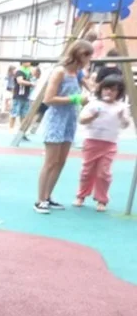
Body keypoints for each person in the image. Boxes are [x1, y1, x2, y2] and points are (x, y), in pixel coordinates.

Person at [35, 39, 94, 214]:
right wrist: (74, 99)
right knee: (50, 161)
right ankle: (40, 200)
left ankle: (48, 196)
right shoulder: (60, 72)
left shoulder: (78, 73)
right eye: (88, 57)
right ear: (80, 54)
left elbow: (89, 88)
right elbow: (48, 99)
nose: (89, 60)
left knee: (61, 161)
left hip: (70, 119)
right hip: (56, 119)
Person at [75, 74, 129, 212]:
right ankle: (81, 195)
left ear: (119, 92)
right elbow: (82, 120)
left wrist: (123, 118)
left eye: (113, 90)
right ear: (101, 89)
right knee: (87, 171)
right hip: (91, 141)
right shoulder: (94, 104)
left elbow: (125, 125)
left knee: (104, 173)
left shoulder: (121, 107)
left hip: (109, 143)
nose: (109, 92)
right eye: (106, 88)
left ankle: (102, 199)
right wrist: (92, 116)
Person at [9, 59, 35, 130]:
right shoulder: (19, 71)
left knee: (24, 115)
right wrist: (31, 83)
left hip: (26, 96)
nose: (29, 63)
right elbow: (20, 81)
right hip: (18, 96)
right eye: (28, 61)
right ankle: (11, 129)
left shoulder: (29, 72)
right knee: (14, 113)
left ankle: (21, 131)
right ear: (23, 62)